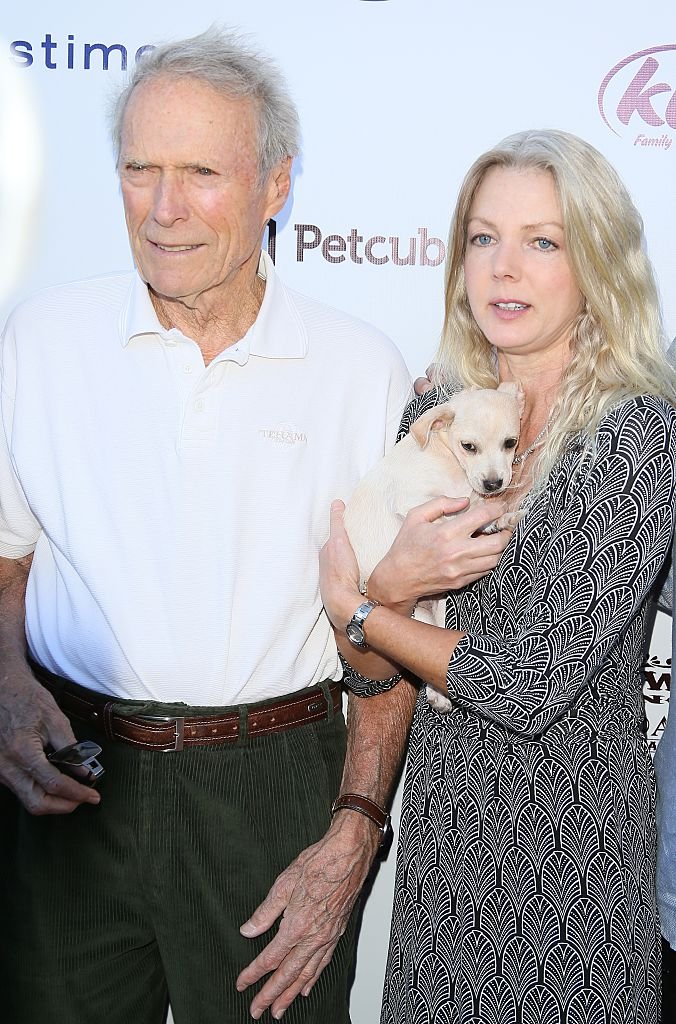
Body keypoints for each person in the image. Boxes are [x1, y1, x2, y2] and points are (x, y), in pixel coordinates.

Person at [0, 25, 478, 1024]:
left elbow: (385, 625)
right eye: (140, 169)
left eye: (200, 173)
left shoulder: (358, 369)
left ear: (275, 185)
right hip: (73, 790)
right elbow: (8, 553)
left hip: (272, 795)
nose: (164, 209)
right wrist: (6, 686)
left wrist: (353, 831)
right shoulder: (39, 342)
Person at [319, 128, 676, 1022]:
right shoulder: (437, 414)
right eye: (483, 238)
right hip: (445, 841)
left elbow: (526, 683)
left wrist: (363, 606)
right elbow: (371, 680)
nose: (504, 269)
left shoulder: (637, 434)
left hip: (575, 859)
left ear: (595, 262)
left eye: (541, 242)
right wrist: (381, 605)